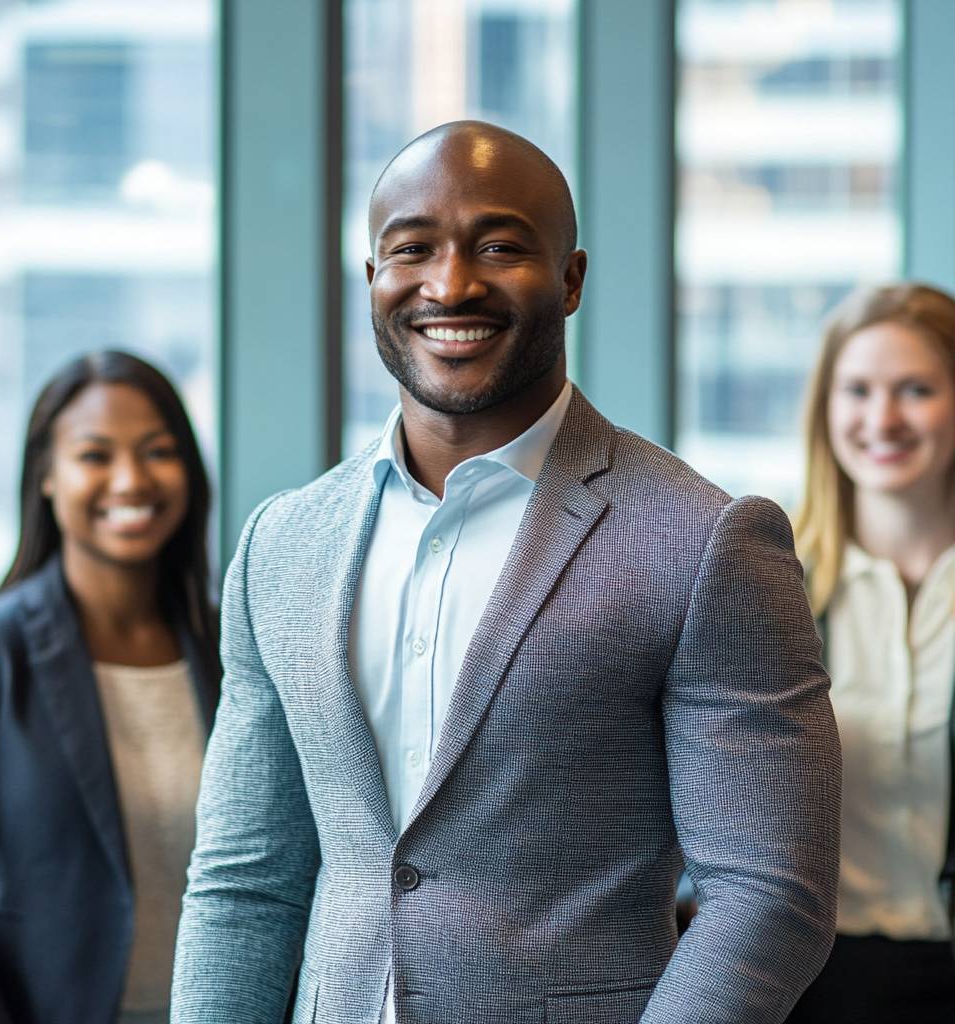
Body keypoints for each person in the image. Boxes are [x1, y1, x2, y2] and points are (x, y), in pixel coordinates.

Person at [171, 121, 841, 1024]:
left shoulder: (707, 542)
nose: (451, 284)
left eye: (498, 246)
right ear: (372, 280)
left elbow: (771, 895)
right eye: (413, 250)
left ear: (569, 280)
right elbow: (245, 882)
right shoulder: (282, 545)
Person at [0, 351, 220, 1024]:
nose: (131, 479)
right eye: (95, 455)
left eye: (158, 451)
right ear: (47, 479)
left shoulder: (224, 644)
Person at [788, 283, 955, 1023]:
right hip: (814, 984)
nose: (882, 419)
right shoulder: (767, 581)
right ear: (826, 408)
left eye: (916, 389)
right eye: (857, 390)